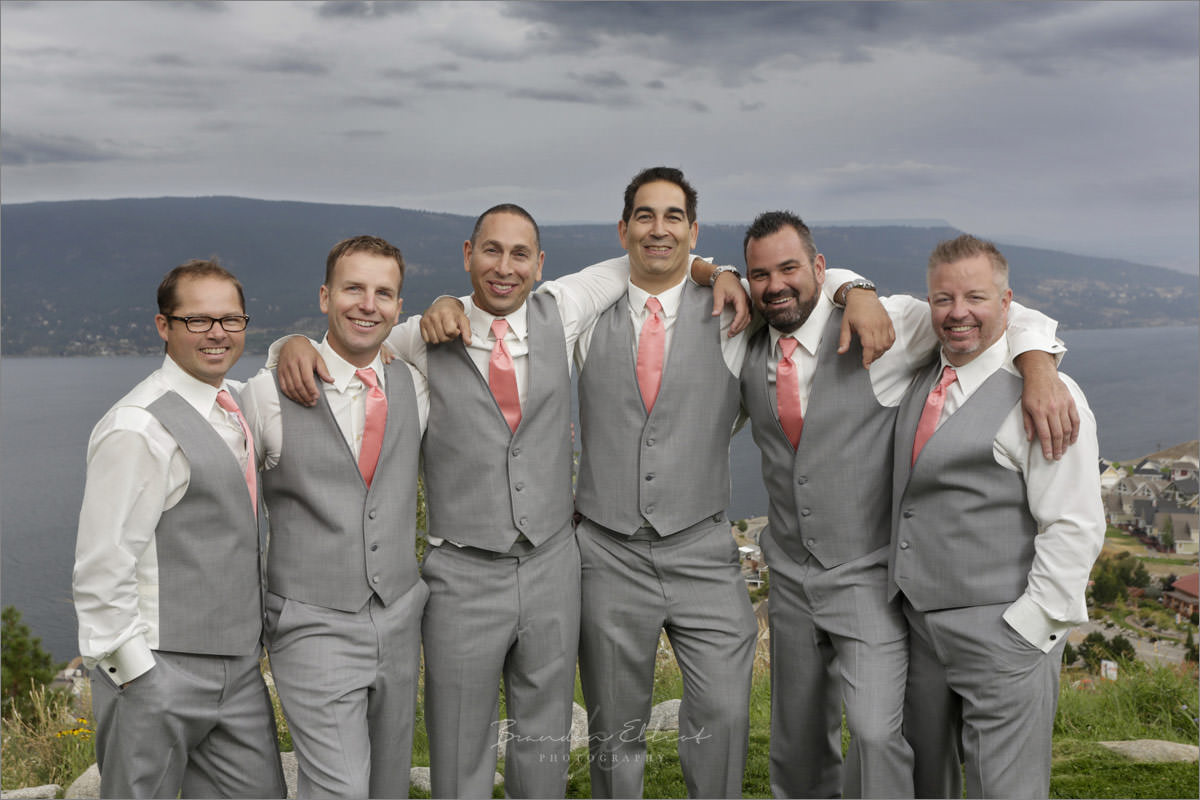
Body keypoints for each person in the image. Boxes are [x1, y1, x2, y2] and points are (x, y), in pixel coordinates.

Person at [271, 205, 750, 798]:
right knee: (458, 749)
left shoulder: (563, 309)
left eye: (520, 254)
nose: (505, 267)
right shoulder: (422, 336)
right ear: (467, 256)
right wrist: (290, 344)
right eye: (491, 251)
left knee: (544, 744)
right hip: (461, 575)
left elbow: (647, 258)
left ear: (539, 264)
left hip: (553, 567)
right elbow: (350, 341)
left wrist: (716, 270)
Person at [717, 212, 1075, 799]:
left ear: (820, 268)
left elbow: (989, 313)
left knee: (877, 732)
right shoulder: (748, 334)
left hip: (868, 574)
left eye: (790, 268)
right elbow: (684, 274)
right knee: (795, 738)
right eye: (760, 274)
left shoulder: (895, 323)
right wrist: (725, 273)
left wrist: (1037, 367)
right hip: (789, 574)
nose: (775, 284)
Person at [889, 234, 1104, 799]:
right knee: (923, 784)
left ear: (1007, 303)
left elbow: (1074, 523)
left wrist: (1030, 631)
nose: (958, 312)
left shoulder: (1050, 397)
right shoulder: (919, 374)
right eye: (943, 299)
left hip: (1004, 633)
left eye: (976, 298)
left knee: (1005, 789)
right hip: (918, 631)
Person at [73, 260, 286, 799]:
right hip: (158, 674)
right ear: (163, 326)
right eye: (198, 320)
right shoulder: (137, 426)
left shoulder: (236, 402)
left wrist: (298, 345)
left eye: (230, 319)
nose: (217, 333)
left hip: (240, 672)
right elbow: (102, 566)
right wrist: (139, 678)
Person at [240, 235, 429, 798]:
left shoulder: (415, 384)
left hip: (399, 617)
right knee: (339, 789)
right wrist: (287, 346)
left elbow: (473, 320)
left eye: (383, 293)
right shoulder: (265, 396)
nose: (368, 305)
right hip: (311, 623)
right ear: (325, 296)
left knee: (388, 785)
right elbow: (228, 508)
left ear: (398, 307)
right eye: (353, 289)